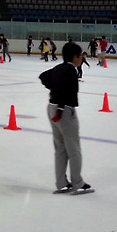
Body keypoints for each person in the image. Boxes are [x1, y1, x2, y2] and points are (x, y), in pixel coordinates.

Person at [39, 42, 93, 195]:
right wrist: (61, 106)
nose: (82, 59)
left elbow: (43, 77)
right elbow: (66, 90)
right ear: (75, 57)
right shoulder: (70, 70)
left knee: (60, 148)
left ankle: (61, 183)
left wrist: (52, 90)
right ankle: (77, 183)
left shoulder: (58, 68)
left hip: (51, 108)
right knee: (73, 148)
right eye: (80, 56)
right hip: (64, 111)